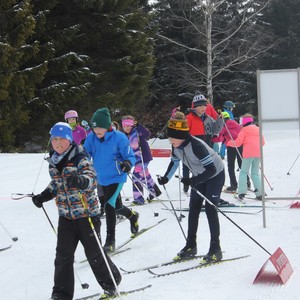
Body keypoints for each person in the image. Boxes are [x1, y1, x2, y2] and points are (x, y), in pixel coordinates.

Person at [31, 122, 121, 300]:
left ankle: (111, 282)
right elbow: (56, 184)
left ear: (69, 140)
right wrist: (43, 196)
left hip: (86, 214)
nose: (58, 143)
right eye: (54, 139)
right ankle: (61, 294)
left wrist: (80, 181)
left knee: (94, 254)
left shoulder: (80, 157)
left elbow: (91, 178)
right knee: (62, 257)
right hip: (66, 216)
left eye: (61, 139)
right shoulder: (53, 161)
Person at [158, 112, 225, 262]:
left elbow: (211, 170)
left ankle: (216, 248)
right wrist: (165, 178)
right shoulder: (176, 147)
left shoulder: (196, 146)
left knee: (210, 209)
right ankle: (190, 245)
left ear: (180, 135)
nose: (169, 140)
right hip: (200, 177)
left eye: (172, 137)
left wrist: (194, 181)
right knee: (193, 209)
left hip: (215, 176)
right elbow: (174, 163)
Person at [83, 108, 139, 253]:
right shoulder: (91, 138)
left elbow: (130, 156)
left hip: (117, 176)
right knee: (117, 206)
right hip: (101, 178)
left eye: (100, 127)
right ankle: (132, 216)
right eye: (94, 127)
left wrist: (127, 163)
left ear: (107, 126)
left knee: (108, 205)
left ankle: (110, 241)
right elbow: (84, 155)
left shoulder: (119, 137)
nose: (97, 130)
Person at [182, 92, 223, 193]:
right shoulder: (189, 118)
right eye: (200, 105)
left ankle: (206, 193)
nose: (203, 107)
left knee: (207, 171)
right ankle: (193, 190)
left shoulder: (208, 118)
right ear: (195, 106)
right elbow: (183, 134)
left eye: (205, 105)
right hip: (194, 149)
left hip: (207, 147)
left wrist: (220, 120)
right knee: (194, 169)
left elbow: (215, 131)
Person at [121, 115, 161, 205]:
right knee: (145, 175)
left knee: (136, 176)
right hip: (135, 159)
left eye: (128, 126)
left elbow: (148, 134)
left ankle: (139, 198)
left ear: (132, 125)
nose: (127, 128)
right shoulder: (124, 136)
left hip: (143, 157)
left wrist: (139, 125)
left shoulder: (137, 131)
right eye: (124, 126)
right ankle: (154, 191)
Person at [227, 113, 265, 200]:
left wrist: (228, 142)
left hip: (248, 154)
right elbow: (263, 143)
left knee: (243, 172)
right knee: (255, 173)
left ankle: (242, 192)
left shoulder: (243, 130)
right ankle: (260, 193)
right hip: (258, 153)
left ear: (244, 122)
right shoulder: (258, 129)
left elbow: (238, 143)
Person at [219, 112, 242, 192]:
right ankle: (247, 182)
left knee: (231, 166)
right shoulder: (236, 124)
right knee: (241, 165)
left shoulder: (224, 126)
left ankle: (233, 185)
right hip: (240, 145)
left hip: (231, 146)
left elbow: (220, 137)